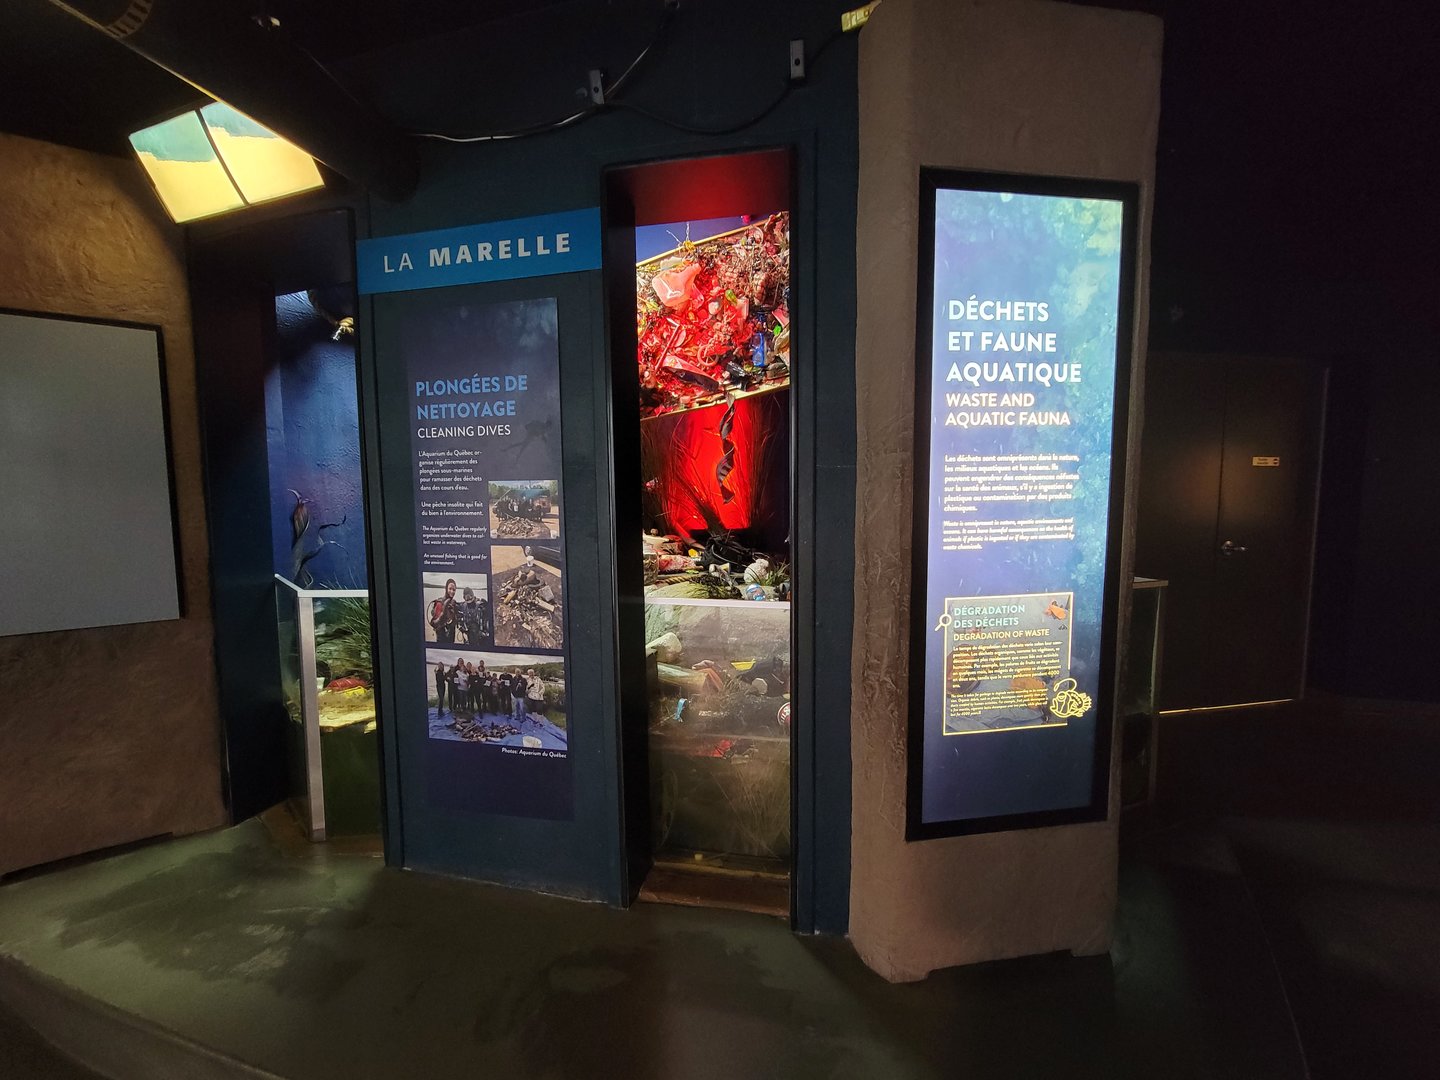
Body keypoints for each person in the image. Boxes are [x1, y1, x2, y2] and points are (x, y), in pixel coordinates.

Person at [429, 578, 459, 643]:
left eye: (454, 590)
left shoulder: (454, 603)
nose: (452, 591)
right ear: (446, 589)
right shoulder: (440, 603)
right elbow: (433, 624)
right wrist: (442, 615)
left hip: (451, 637)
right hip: (441, 638)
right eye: (450, 589)